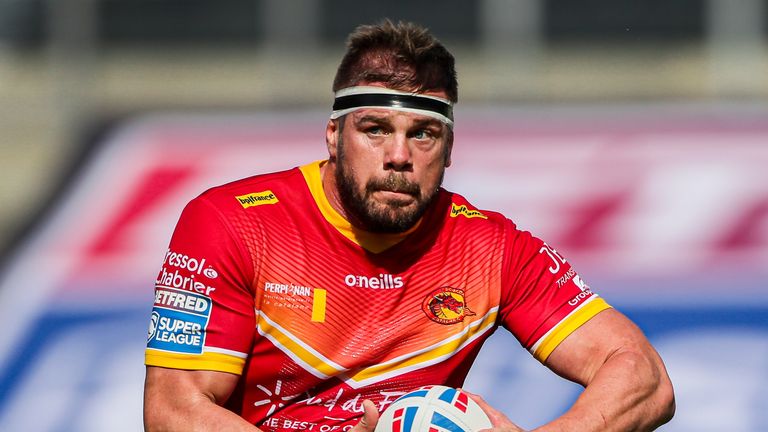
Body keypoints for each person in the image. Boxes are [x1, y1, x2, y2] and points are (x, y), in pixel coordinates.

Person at [143, 20, 675, 432]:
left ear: (449, 149)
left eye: (423, 135)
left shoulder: (491, 248)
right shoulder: (233, 223)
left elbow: (643, 376)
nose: (399, 156)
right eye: (375, 130)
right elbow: (175, 410)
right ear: (333, 136)